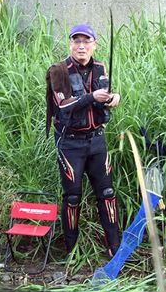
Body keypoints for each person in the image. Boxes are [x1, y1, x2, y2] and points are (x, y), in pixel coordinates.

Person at [46, 24, 122, 258]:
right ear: (70, 44)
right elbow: (63, 104)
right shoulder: (58, 70)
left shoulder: (100, 67)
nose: (81, 46)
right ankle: (72, 251)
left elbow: (105, 94)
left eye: (86, 41)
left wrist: (114, 97)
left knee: (107, 193)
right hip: (70, 144)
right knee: (72, 197)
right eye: (76, 41)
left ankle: (115, 249)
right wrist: (91, 97)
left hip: (97, 141)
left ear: (94, 44)